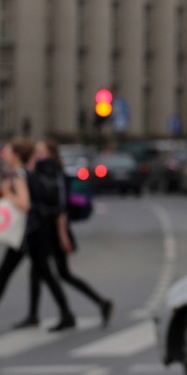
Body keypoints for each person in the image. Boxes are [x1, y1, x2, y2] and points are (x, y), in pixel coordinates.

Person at [0, 136, 76, 333]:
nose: (4, 154)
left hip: (29, 235)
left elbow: (25, 204)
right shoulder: (25, 173)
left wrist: (7, 193)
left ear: (16, 155)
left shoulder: (19, 176)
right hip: (29, 234)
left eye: (8, 151)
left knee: (37, 274)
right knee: (13, 274)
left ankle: (66, 314)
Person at [15, 138, 113, 328]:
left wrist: (62, 236)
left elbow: (61, 208)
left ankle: (93, 305)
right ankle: (35, 315)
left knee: (59, 273)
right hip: (45, 231)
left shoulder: (54, 173)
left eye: (40, 151)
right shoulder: (43, 172)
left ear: (50, 154)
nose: (37, 155)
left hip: (53, 232)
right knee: (39, 272)